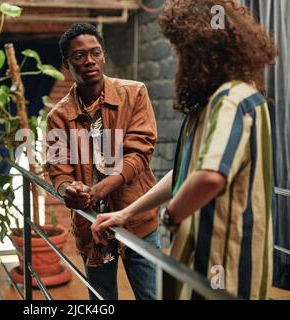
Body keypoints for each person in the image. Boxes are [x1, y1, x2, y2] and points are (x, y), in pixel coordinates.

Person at [91, 0, 277, 300]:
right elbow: (185, 171)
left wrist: (170, 217)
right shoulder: (209, 105)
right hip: (198, 259)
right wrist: (127, 212)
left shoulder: (232, 99)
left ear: (201, 49)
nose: (177, 56)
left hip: (224, 264)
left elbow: (208, 177)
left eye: (181, 48)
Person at [45, 23, 160, 300]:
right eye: (79, 56)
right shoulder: (58, 117)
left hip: (136, 219)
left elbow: (139, 155)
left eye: (95, 52)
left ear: (103, 55)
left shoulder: (134, 94)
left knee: (151, 295)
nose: (89, 61)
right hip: (92, 227)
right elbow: (58, 174)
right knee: (101, 300)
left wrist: (98, 190)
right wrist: (68, 191)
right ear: (66, 63)